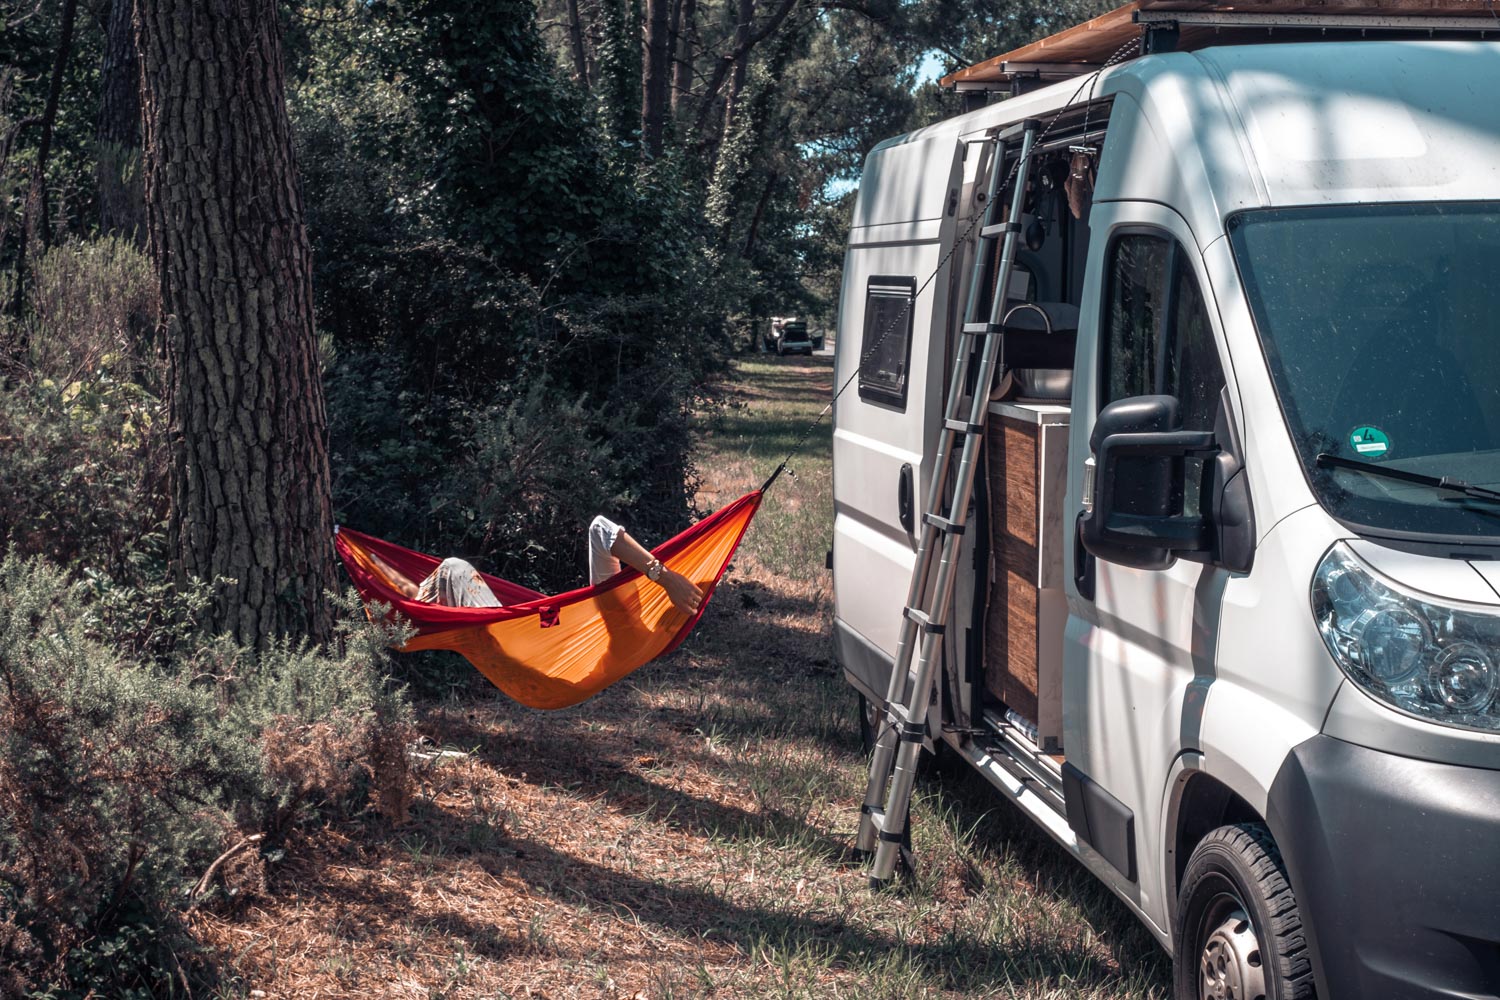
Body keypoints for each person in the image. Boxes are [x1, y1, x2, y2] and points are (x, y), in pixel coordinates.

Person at [365, 515, 704, 615]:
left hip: (514, 640)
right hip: (529, 633)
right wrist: (666, 579)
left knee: (454, 568)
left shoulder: (621, 622)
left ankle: (388, 584)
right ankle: (385, 577)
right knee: (452, 571)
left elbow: (601, 528)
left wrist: (666, 579)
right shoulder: (621, 615)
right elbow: (600, 529)